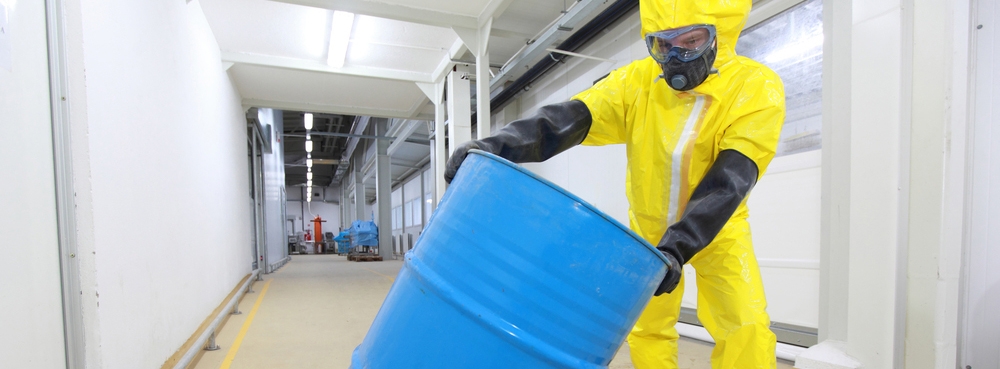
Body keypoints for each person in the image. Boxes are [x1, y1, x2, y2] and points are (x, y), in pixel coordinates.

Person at [444, 1, 784, 368]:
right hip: (648, 235)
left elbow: (729, 180)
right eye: (663, 45)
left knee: (746, 326)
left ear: (719, 34)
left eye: (691, 41)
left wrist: (678, 246)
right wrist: (496, 146)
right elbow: (568, 120)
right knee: (649, 328)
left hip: (718, 229)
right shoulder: (637, 82)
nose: (676, 57)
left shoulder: (754, 88)